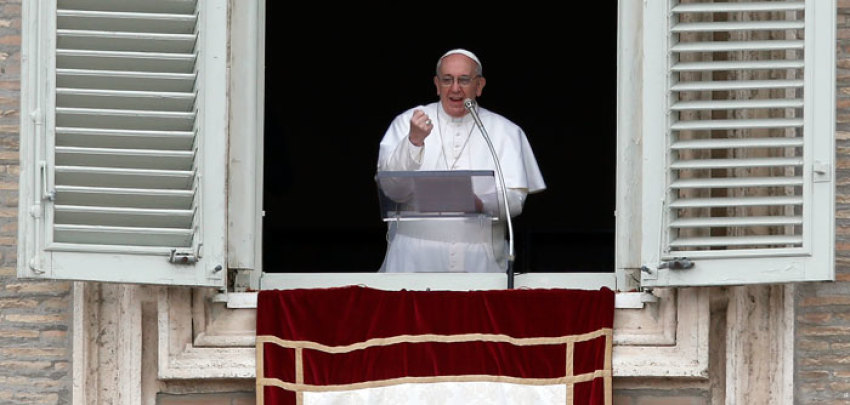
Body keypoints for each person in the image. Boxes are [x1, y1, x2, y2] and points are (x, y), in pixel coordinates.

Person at [377, 48, 545, 273]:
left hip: (479, 259)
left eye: (464, 80)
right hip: (414, 259)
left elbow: (515, 199)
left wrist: (480, 202)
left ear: (480, 85)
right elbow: (392, 190)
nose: (455, 88)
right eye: (447, 80)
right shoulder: (408, 122)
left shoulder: (505, 131)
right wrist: (414, 142)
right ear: (437, 84)